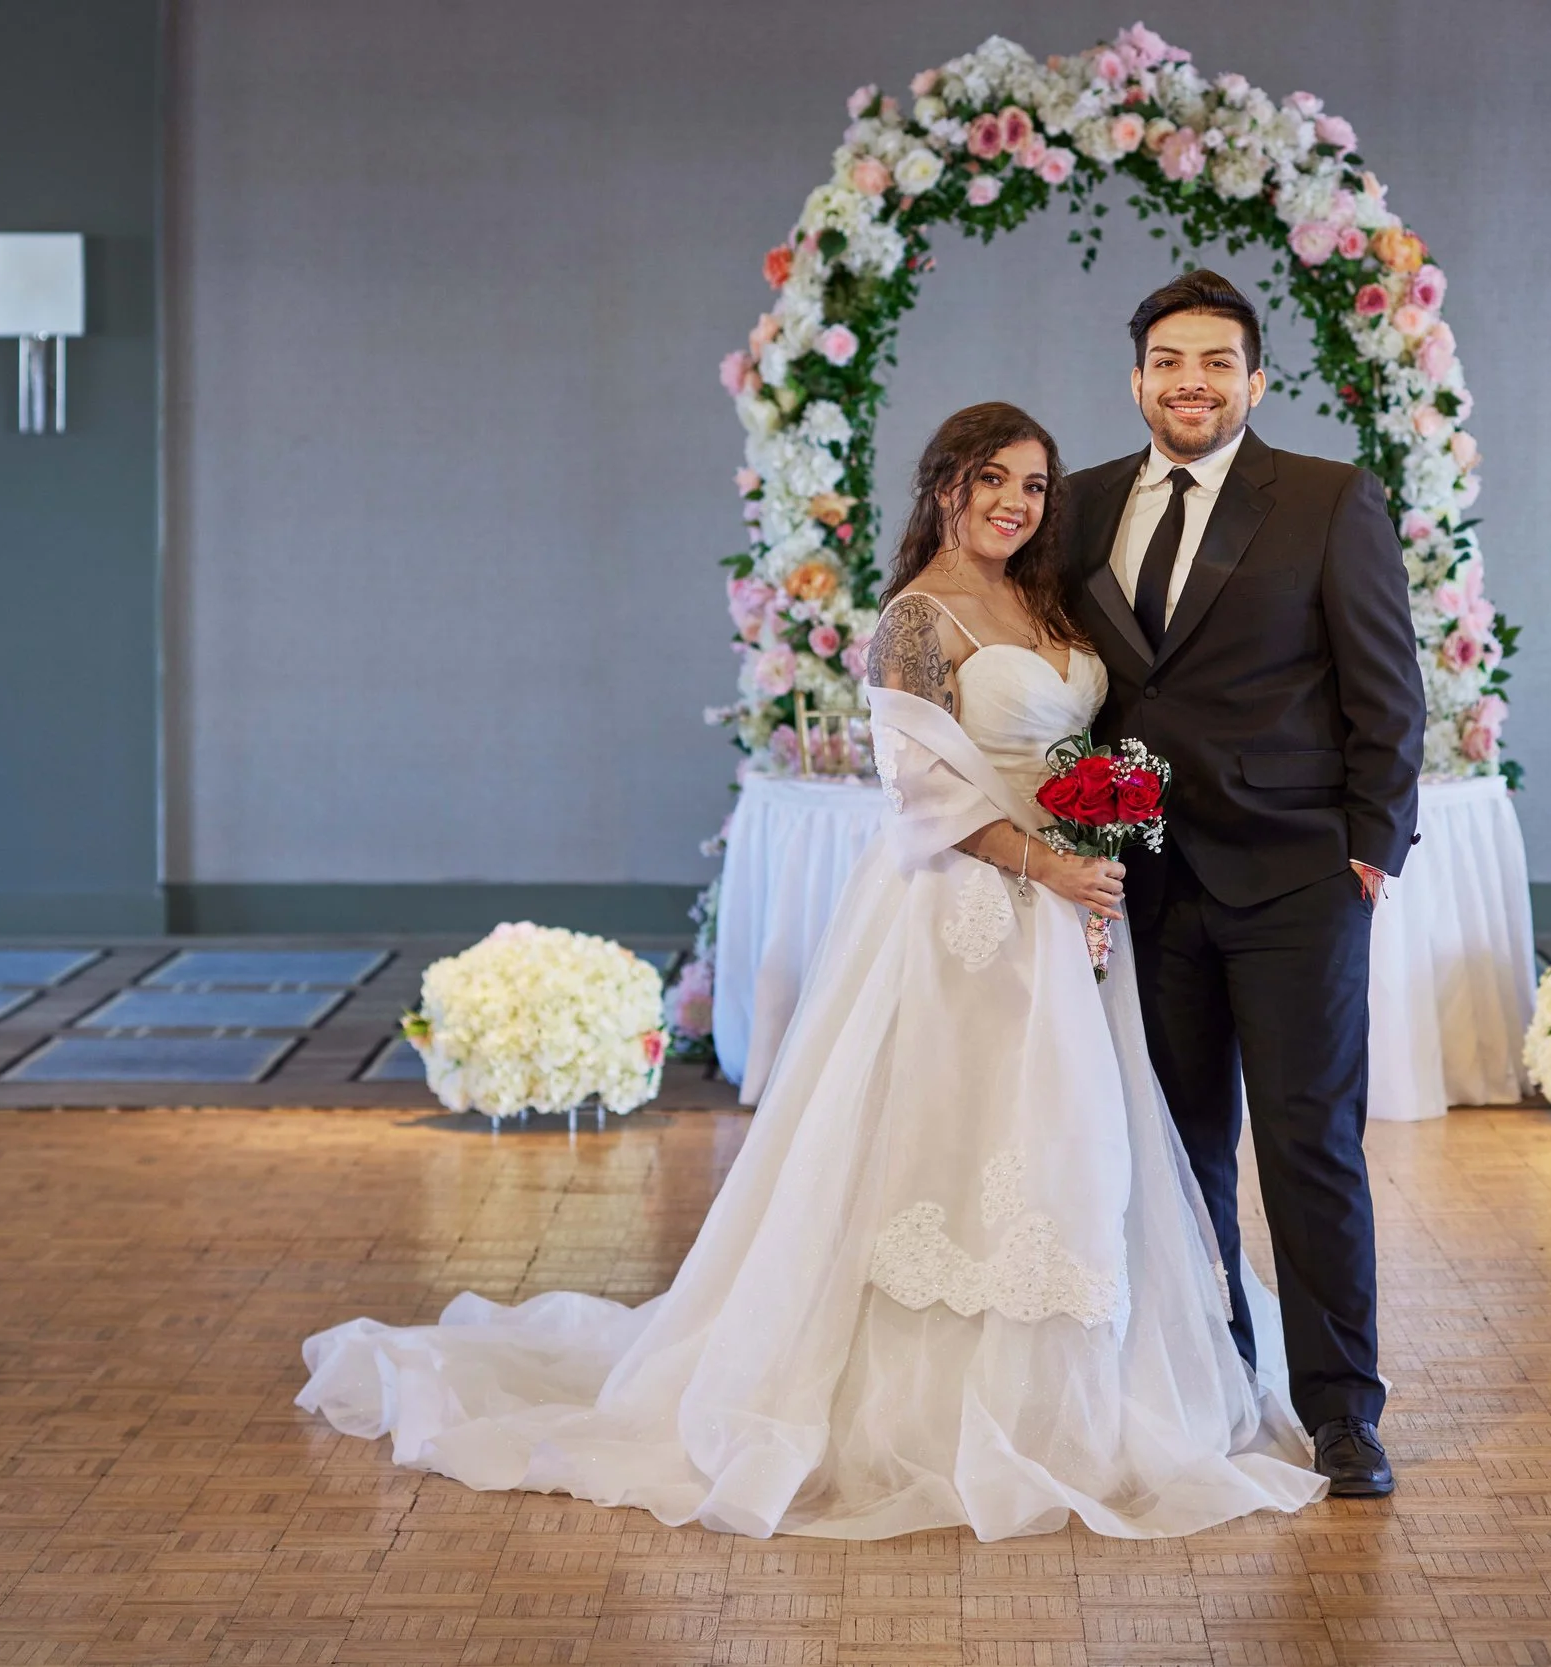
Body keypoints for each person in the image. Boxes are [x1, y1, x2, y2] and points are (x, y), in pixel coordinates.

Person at [298, 402, 1325, 1539]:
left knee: (1067, 1136)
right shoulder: (911, 623)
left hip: (1069, 910)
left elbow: (1073, 744)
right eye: (993, 480)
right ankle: (923, 1409)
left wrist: (1097, 833)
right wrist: (1050, 863)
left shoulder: (1045, 598)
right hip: (965, 912)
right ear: (944, 485)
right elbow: (924, 795)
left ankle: (1073, 1397)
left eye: (1034, 487)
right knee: (951, 1133)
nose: (1015, 504)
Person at [1066, 270, 1428, 1498]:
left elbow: (1386, 688)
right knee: (1178, 1151)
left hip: (1293, 880)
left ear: (1255, 378)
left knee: (1309, 1146)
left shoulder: (1327, 500)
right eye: (1170, 360)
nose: (1191, 382)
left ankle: (1341, 1410)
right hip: (1148, 880)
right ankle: (1214, 1375)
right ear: (1136, 377)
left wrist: (1371, 846)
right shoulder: (1076, 506)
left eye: (1217, 361)